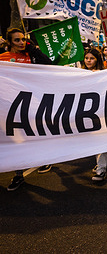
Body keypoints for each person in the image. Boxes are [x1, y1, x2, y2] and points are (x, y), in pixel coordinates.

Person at [1, 28, 53, 191]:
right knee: (16, 139)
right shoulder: (2, 59)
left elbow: (50, 66)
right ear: (9, 42)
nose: (22, 43)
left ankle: (44, 159)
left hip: (31, 103)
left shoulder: (31, 56)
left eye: (23, 39)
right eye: (17, 40)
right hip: (9, 106)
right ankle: (18, 174)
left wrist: (34, 50)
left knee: (36, 133)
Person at [81, 47, 107, 181]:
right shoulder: (78, 74)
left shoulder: (103, 74)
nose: (88, 60)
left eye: (92, 58)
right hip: (85, 113)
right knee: (92, 141)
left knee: (100, 140)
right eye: (86, 58)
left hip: (100, 112)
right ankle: (99, 165)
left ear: (97, 59)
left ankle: (101, 169)